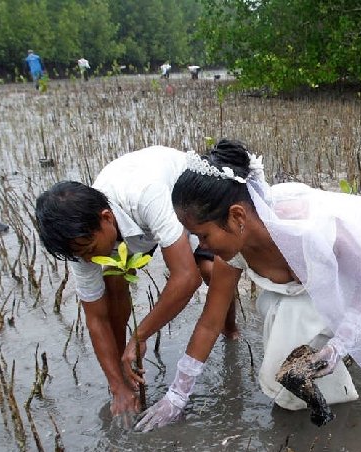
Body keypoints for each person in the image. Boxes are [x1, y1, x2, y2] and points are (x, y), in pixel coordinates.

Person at [136, 140, 361, 431]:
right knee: (284, 348)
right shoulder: (231, 255)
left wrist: (338, 347)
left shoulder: (313, 231)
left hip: (347, 286)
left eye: (204, 235)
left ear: (237, 216)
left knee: (297, 319)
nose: (201, 246)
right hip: (297, 297)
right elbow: (210, 323)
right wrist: (177, 395)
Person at [35, 146, 238, 425]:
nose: (89, 259)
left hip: (180, 198)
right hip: (132, 225)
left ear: (106, 218)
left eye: (91, 249)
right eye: (82, 255)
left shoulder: (146, 196)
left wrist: (140, 335)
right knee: (113, 283)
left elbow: (186, 279)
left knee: (208, 270)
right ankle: (124, 371)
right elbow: (96, 318)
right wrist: (117, 386)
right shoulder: (78, 243)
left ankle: (230, 328)